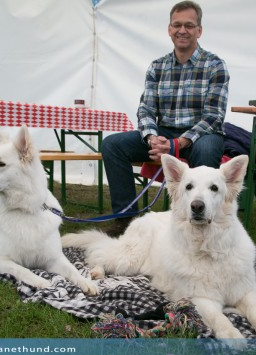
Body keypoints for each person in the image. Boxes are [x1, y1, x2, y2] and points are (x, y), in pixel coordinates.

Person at [101, 0, 230, 237]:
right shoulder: (156, 67)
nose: (182, 30)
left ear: (199, 30)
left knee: (208, 147)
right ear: (169, 29)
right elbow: (146, 110)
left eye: (189, 25)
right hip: (163, 134)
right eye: (177, 25)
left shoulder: (215, 66)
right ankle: (126, 221)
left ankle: (200, 217)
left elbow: (213, 117)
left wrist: (176, 144)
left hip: (200, 136)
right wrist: (152, 138)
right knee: (112, 145)